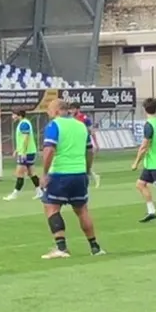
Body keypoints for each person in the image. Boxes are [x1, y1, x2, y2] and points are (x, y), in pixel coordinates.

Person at [39, 99, 105, 259]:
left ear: (55, 110)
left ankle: (61, 247)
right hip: (79, 173)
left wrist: (45, 173)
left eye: (49, 109)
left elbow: (49, 151)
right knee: (82, 210)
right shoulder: (81, 125)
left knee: (51, 208)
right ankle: (95, 247)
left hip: (60, 173)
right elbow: (90, 151)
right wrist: (88, 170)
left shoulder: (54, 126)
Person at [4, 108, 42, 201]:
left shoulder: (24, 124)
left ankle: (15, 193)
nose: (12, 116)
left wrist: (23, 151)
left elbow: (25, 138)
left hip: (26, 152)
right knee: (31, 173)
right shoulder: (23, 123)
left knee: (19, 172)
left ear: (19, 115)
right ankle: (40, 191)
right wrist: (17, 149)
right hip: (28, 151)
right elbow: (22, 139)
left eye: (14, 114)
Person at [69, 101, 101, 189]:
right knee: (79, 164)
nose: (71, 111)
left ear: (77, 109)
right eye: (70, 109)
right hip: (76, 144)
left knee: (85, 164)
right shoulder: (70, 119)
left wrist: (96, 144)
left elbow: (92, 132)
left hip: (86, 143)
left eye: (73, 109)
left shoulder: (84, 118)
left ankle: (90, 179)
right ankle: (92, 178)